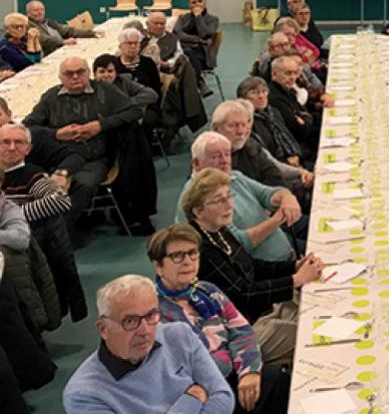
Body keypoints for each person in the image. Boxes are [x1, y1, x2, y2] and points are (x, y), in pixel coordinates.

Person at [148, 225, 290, 413]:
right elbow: (176, 368)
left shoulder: (207, 290)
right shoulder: (152, 310)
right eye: (177, 256)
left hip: (234, 374)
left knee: (280, 380)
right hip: (202, 392)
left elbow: (242, 331)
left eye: (193, 253)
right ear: (158, 266)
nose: (188, 261)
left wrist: (249, 371)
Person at [64, 276, 235, 413]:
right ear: (103, 329)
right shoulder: (84, 395)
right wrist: (192, 398)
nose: (145, 330)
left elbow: (223, 396)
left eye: (151, 316)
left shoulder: (179, 335)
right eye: (130, 321)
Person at [181, 167, 322, 324]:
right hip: (244, 325)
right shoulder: (202, 249)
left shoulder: (218, 229)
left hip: (261, 308)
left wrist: (294, 266)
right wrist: (296, 279)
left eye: (229, 196)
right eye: (219, 200)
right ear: (199, 211)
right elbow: (243, 295)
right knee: (311, 324)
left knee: (319, 301)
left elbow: (251, 266)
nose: (229, 205)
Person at [24, 57, 144, 226]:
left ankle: (58, 230)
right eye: (69, 74)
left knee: (83, 185)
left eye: (80, 72)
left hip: (93, 159)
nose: (75, 77)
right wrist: (56, 133)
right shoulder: (51, 97)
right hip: (59, 159)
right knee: (32, 181)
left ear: (89, 73)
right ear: (60, 77)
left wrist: (100, 125)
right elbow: (28, 127)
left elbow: (134, 110)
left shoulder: (105, 91)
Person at [0, 121, 86, 320]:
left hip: (24, 250)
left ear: (28, 149)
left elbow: (61, 201)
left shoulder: (33, 176)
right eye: (5, 142)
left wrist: (12, 215)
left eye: (18, 142)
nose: (12, 147)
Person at [177, 132, 301, 263]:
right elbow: (237, 242)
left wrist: (287, 197)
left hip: (287, 252)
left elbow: (266, 194)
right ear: (196, 163)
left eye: (227, 154)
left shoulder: (234, 176)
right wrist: (278, 218)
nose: (224, 161)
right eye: (216, 156)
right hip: (266, 270)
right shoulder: (198, 197)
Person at [237, 77, 305, 167]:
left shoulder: (273, 112)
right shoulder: (247, 123)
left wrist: (296, 155)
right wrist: (288, 164)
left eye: (264, 91)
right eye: (254, 93)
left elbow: (289, 137)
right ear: (243, 98)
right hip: (277, 168)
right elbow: (262, 158)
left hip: (293, 160)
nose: (261, 96)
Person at [266, 56, 318, 149]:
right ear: (274, 74)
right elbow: (299, 131)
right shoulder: (274, 97)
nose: (293, 77)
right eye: (288, 73)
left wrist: (304, 118)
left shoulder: (288, 91)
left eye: (295, 73)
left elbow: (305, 114)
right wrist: (304, 118)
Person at [25, 0, 97, 56]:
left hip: (62, 50)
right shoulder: (28, 25)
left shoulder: (49, 22)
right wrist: (63, 42)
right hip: (47, 56)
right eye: (36, 10)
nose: (39, 12)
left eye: (42, 10)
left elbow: (67, 30)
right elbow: (44, 40)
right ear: (28, 13)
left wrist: (92, 33)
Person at [112, 28, 163, 104]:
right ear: (120, 46)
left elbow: (156, 89)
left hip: (147, 106)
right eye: (129, 43)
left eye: (136, 43)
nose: (133, 46)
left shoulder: (148, 63)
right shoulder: (114, 65)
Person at [174, 0, 220, 74]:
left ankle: (197, 80)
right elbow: (178, 34)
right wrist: (198, 39)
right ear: (189, 5)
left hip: (203, 54)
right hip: (182, 49)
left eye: (200, 1)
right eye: (194, 2)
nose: (197, 4)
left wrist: (198, 17)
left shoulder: (213, 19)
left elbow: (205, 35)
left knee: (187, 54)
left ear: (204, 2)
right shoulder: (182, 18)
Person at [93, 53, 158, 109]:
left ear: (116, 73)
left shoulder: (124, 82)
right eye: (101, 72)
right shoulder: (89, 88)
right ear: (95, 74)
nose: (106, 75)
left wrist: (127, 103)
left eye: (110, 71)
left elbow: (151, 95)